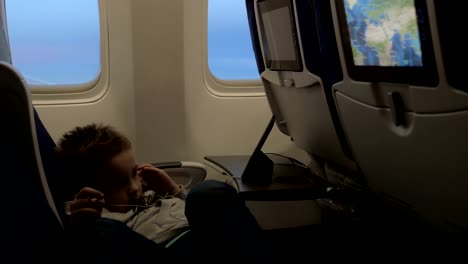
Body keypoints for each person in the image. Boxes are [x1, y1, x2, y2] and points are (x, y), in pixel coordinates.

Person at [55, 123, 271, 262]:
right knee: (102, 231)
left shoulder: (156, 195)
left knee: (209, 193)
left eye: (134, 173)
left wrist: (172, 190)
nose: (133, 187)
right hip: (168, 256)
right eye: (119, 184)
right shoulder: (94, 215)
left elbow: (194, 212)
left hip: (210, 241)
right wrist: (80, 224)